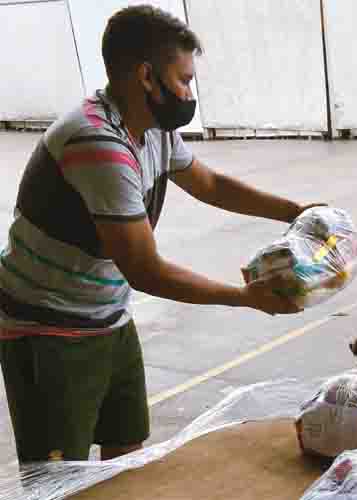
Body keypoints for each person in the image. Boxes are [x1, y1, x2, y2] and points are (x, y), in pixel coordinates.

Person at [0, 5, 320, 465]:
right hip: (48, 327)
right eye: (184, 80)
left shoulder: (152, 129)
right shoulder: (98, 144)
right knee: (58, 474)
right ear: (146, 76)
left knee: (127, 452)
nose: (189, 92)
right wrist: (245, 297)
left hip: (106, 314)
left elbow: (207, 183)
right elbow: (145, 270)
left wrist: (293, 210)